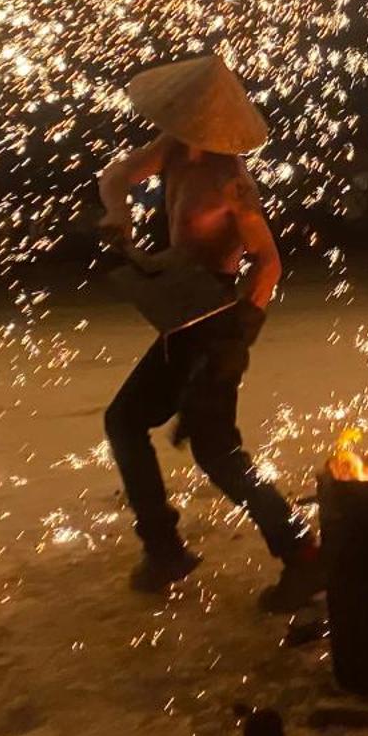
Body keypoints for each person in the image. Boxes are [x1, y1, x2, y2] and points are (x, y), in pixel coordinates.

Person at [97, 54, 325, 609]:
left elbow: (268, 263)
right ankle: (163, 547)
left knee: (216, 450)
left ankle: (304, 556)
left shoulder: (231, 181)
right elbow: (115, 173)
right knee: (125, 420)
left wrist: (239, 335)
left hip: (220, 318)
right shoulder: (171, 148)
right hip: (181, 309)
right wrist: (118, 215)